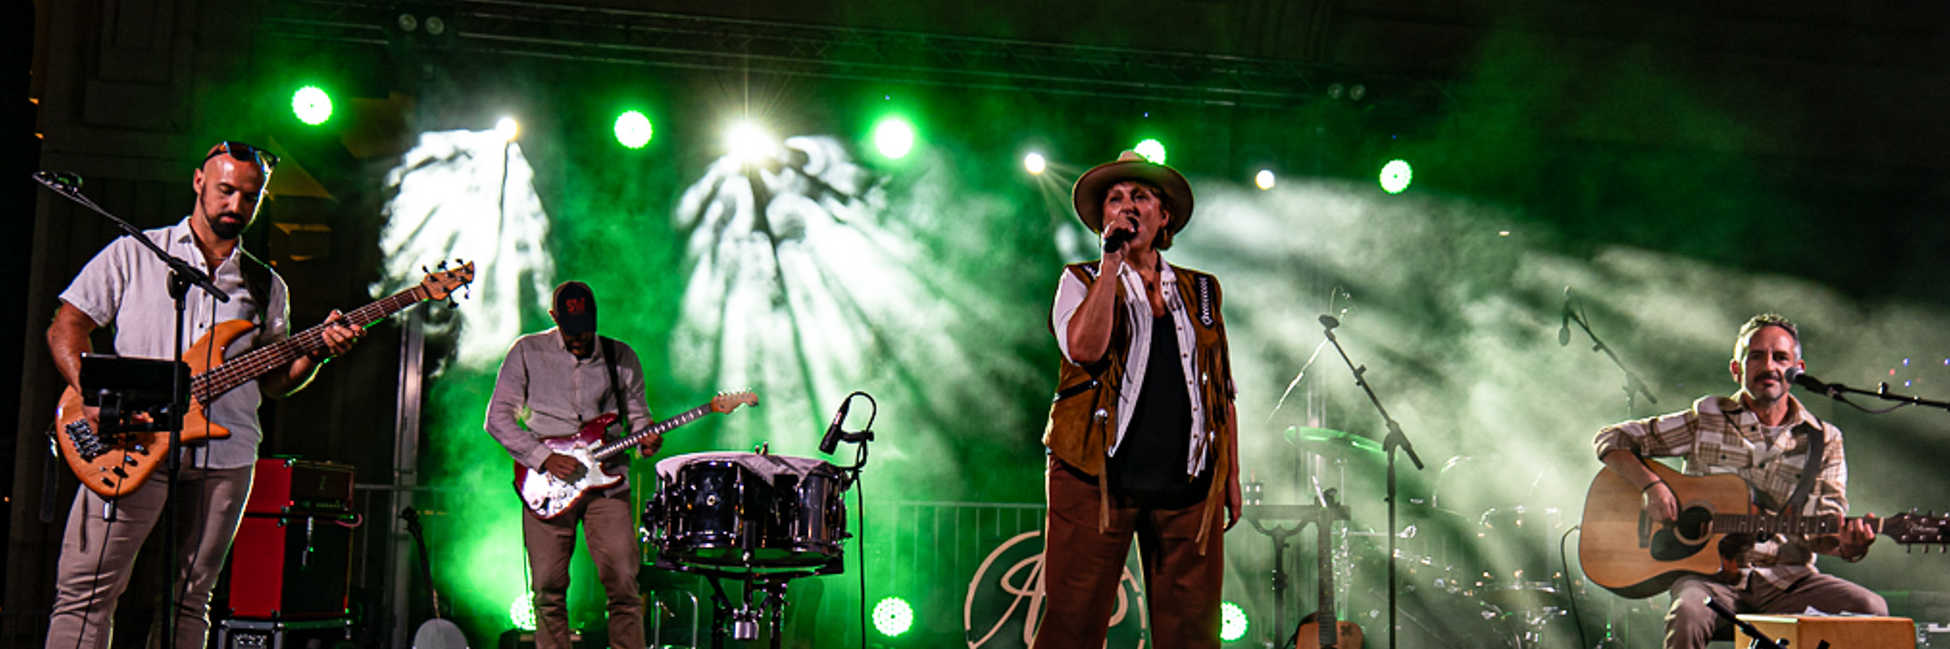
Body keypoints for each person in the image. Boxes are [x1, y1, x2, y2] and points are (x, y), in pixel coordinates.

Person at [43, 141, 364, 649]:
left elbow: (276, 380)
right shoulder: (136, 252)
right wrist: (96, 396)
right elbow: (67, 326)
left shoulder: (265, 284)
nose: (236, 205)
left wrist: (318, 352)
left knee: (193, 598)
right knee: (88, 590)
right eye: (225, 190)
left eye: (250, 196)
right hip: (132, 441)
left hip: (227, 452)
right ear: (198, 182)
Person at [1035, 151, 1242, 649]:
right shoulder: (1080, 280)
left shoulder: (1202, 291)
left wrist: (1231, 476)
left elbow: (1222, 392)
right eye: (1115, 199)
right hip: (1095, 475)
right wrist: (1111, 264)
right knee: (1073, 621)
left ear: (1163, 215)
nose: (1127, 207)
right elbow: (1085, 349)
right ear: (1104, 218)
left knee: (1192, 631)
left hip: (1187, 481)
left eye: (1140, 197)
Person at [1594, 314, 1886, 649]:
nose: (1769, 367)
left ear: (1798, 369)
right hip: (1707, 581)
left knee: (1871, 610)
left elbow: (1824, 532)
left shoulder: (1824, 439)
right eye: (1756, 356)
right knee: (1687, 612)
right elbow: (1611, 439)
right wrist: (1651, 486)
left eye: (1780, 357)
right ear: (1737, 369)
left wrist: (1850, 546)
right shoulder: (1706, 418)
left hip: (1787, 580)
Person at [486, 281, 662, 649]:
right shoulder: (527, 351)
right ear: (554, 318)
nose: (580, 338)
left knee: (624, 582)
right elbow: (498, 419)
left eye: (586, 328)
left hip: (608, 481)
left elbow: (638, 416)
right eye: (571, 329)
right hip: (546, 480)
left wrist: (646, 438)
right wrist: (544, 457)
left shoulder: (621, 356)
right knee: (548, 587)